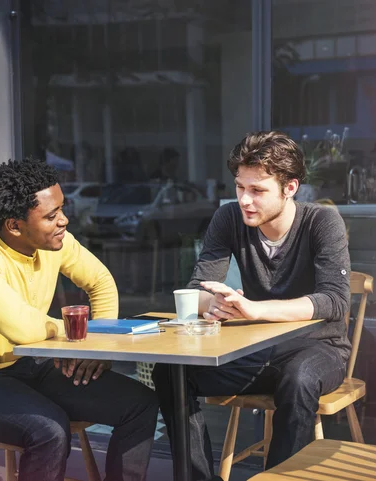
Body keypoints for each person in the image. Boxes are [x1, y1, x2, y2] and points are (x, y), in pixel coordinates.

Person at [0, 158, 159, 481]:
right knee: (49, 430)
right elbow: (22, 327)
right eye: (51, 215)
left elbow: (100, 282)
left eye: (62, 208)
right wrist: (82, 337)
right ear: (14, 225)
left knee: (140, 403)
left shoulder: (52, 242)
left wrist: (100, 347)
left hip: (26, 365)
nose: (63, 220)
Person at [153, 131, 351, 481]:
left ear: (290, 187)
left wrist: (255, 309)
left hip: (321, 350)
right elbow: (196, 290)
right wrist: (215, 303)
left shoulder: (321, 222)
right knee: (171, 373)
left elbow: (334, 301)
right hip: (257, 352)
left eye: (258, 190)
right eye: (240, 187)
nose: (245, 200)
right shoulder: (229, 219)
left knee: (299, 377)